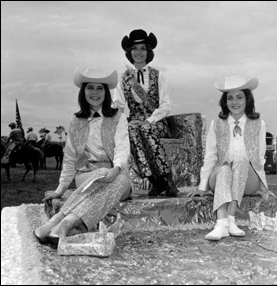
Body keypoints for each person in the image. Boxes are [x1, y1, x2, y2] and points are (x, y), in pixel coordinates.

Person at [33, 67, 132, 247]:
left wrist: (116, 169)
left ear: (106, 92)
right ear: (83, 91)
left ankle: (58, 221)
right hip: (86, 175)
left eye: (100, 88)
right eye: (90, 88)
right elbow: (70, 157)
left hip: (115, 174)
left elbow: (123, 147)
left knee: (121, 181)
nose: (95, 92)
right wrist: (61, 188)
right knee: (99, 173)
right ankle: (64, 226)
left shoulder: (119, 117)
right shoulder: (75, 121)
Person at [187, 75, 273, 241]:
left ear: (247, 99)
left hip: (247, 179)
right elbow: (210, 155)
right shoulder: (217, 123)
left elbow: (259, 158)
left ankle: (230, 219)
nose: (235, 102)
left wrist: (264, 186)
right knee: (225, 168)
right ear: (224, 101)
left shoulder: (258, 124)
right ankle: (222, 224)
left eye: (239, 97)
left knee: (241, 162)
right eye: (230, 98)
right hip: (221, 177)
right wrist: (203, 186)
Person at [115, 28, 179, 197]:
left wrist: (149, 121)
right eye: (135, 48)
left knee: (143, 129)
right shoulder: (123, 78)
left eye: (143, 48)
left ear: (148, 51)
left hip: (156, 122)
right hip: (134, 122)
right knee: (131, 129)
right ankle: (154, 181)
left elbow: (165, 106)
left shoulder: (159, 76)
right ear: (129, 52)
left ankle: (167, 179)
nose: (138, 52)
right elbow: (119, 105)